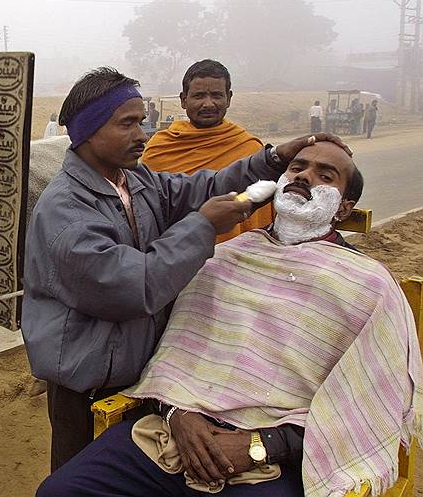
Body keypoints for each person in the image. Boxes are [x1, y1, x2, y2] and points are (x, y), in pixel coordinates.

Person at [38, 141, 423, 497]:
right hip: (178, 430)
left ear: (343, 208)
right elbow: (174, 359)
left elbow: (364, 405)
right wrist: (178, 414)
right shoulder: (224, 259)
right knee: (59, 492)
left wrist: (262, 445)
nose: (304, 176)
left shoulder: (368, 285)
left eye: (325, 175)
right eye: (297, 167)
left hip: (282, 451)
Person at [21, 66, 347, 472]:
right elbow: (133, 287)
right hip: (86, 376)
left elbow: (198, 188)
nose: (142, 134)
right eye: (127, 124)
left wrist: (272, 159)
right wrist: (204, 226)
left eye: (141, 121)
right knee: (80, 469)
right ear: (89, 131)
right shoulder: (65, 212)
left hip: (134, 361)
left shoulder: (131, 177)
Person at [141, 60, 274, 243]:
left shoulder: (250, 148)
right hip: (175, 256)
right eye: (199, 96)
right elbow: (149, 211)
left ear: (229, 98)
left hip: (237, 256)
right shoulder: (160, 147)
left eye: (217, 95)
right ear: (183, 99)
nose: (208, 104)